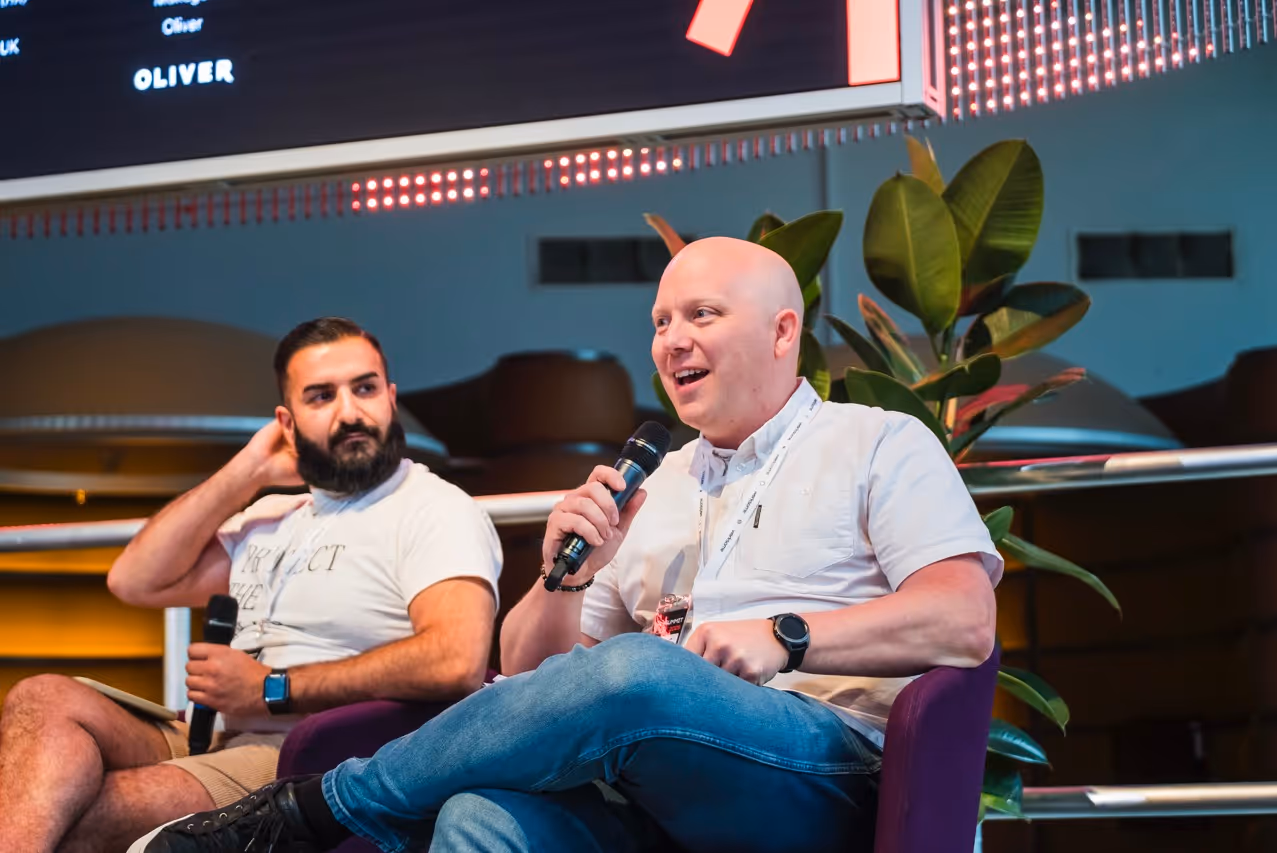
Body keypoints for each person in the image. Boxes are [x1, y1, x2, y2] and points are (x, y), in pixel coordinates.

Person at [135, 238, 1002, 853]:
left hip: (820, 772)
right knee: (480, 817)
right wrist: (565, 580)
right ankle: (323, 811)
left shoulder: (876, 440)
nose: (671, 340)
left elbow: (965, 619)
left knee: (641, 672)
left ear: (782, 333)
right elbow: (529, 675)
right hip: (657, 789)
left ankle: (322, 808)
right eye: (660, 321)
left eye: (702, 314)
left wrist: (787, 634)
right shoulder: (655, 483)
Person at [0, 317, 502, 853]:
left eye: (365, 389)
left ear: (390, 398)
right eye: (321, 396)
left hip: (304, 753)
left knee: (71, 811)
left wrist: (271, 687)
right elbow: (135, 579)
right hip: (210, 732)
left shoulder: (432, 509)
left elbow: (455, 661)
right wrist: (248, 470)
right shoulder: (274, 515)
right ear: (287, 423)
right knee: (41, 697)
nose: (350, 412)